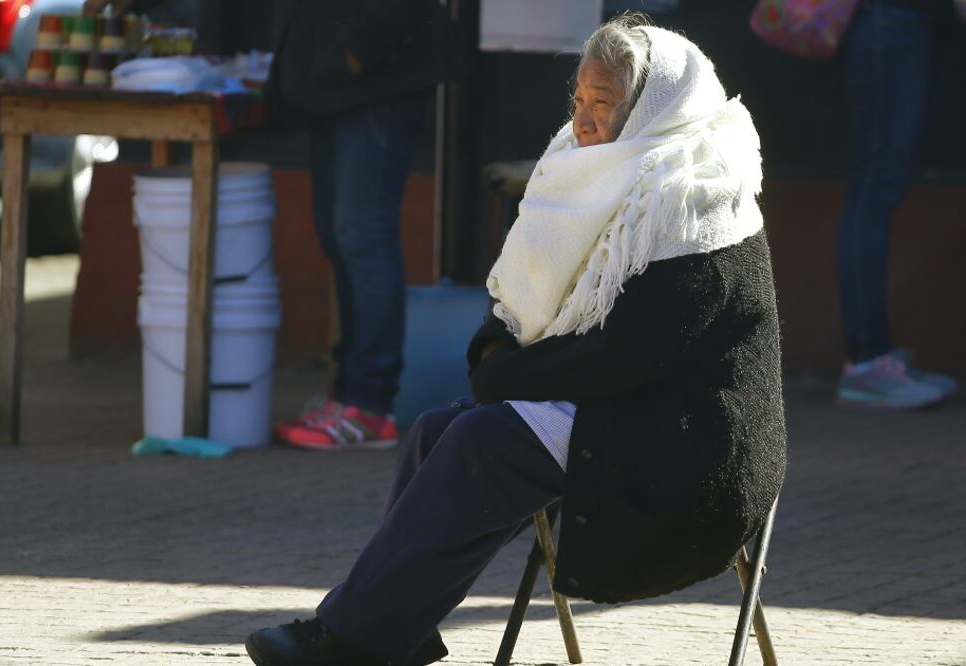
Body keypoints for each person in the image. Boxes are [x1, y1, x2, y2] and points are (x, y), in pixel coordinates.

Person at [243, 15, 788, 666]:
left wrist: (504, 378)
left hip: (683, 436)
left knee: (481, 441)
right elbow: (527, 285)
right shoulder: (580, 169)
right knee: (433, 434)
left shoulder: (693, 201)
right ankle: (396, 630)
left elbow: (631, 355)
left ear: (653, 110)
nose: (583, 121)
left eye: (604, 106)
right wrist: (493, 347)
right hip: (613, 405)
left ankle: (351, 639)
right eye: (578, 101)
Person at [83, 0, 450, 451]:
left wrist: (356, 52)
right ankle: (351, 396)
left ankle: (370, 406)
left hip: (374, 77)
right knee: (342, 237)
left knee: (362, 236)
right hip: (337, 79)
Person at [834, 0, 960, 409]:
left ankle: (874, 357)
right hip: (892, 20)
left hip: (909, 22)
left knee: (877, 189)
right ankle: (866, 362)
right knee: (874, 189)